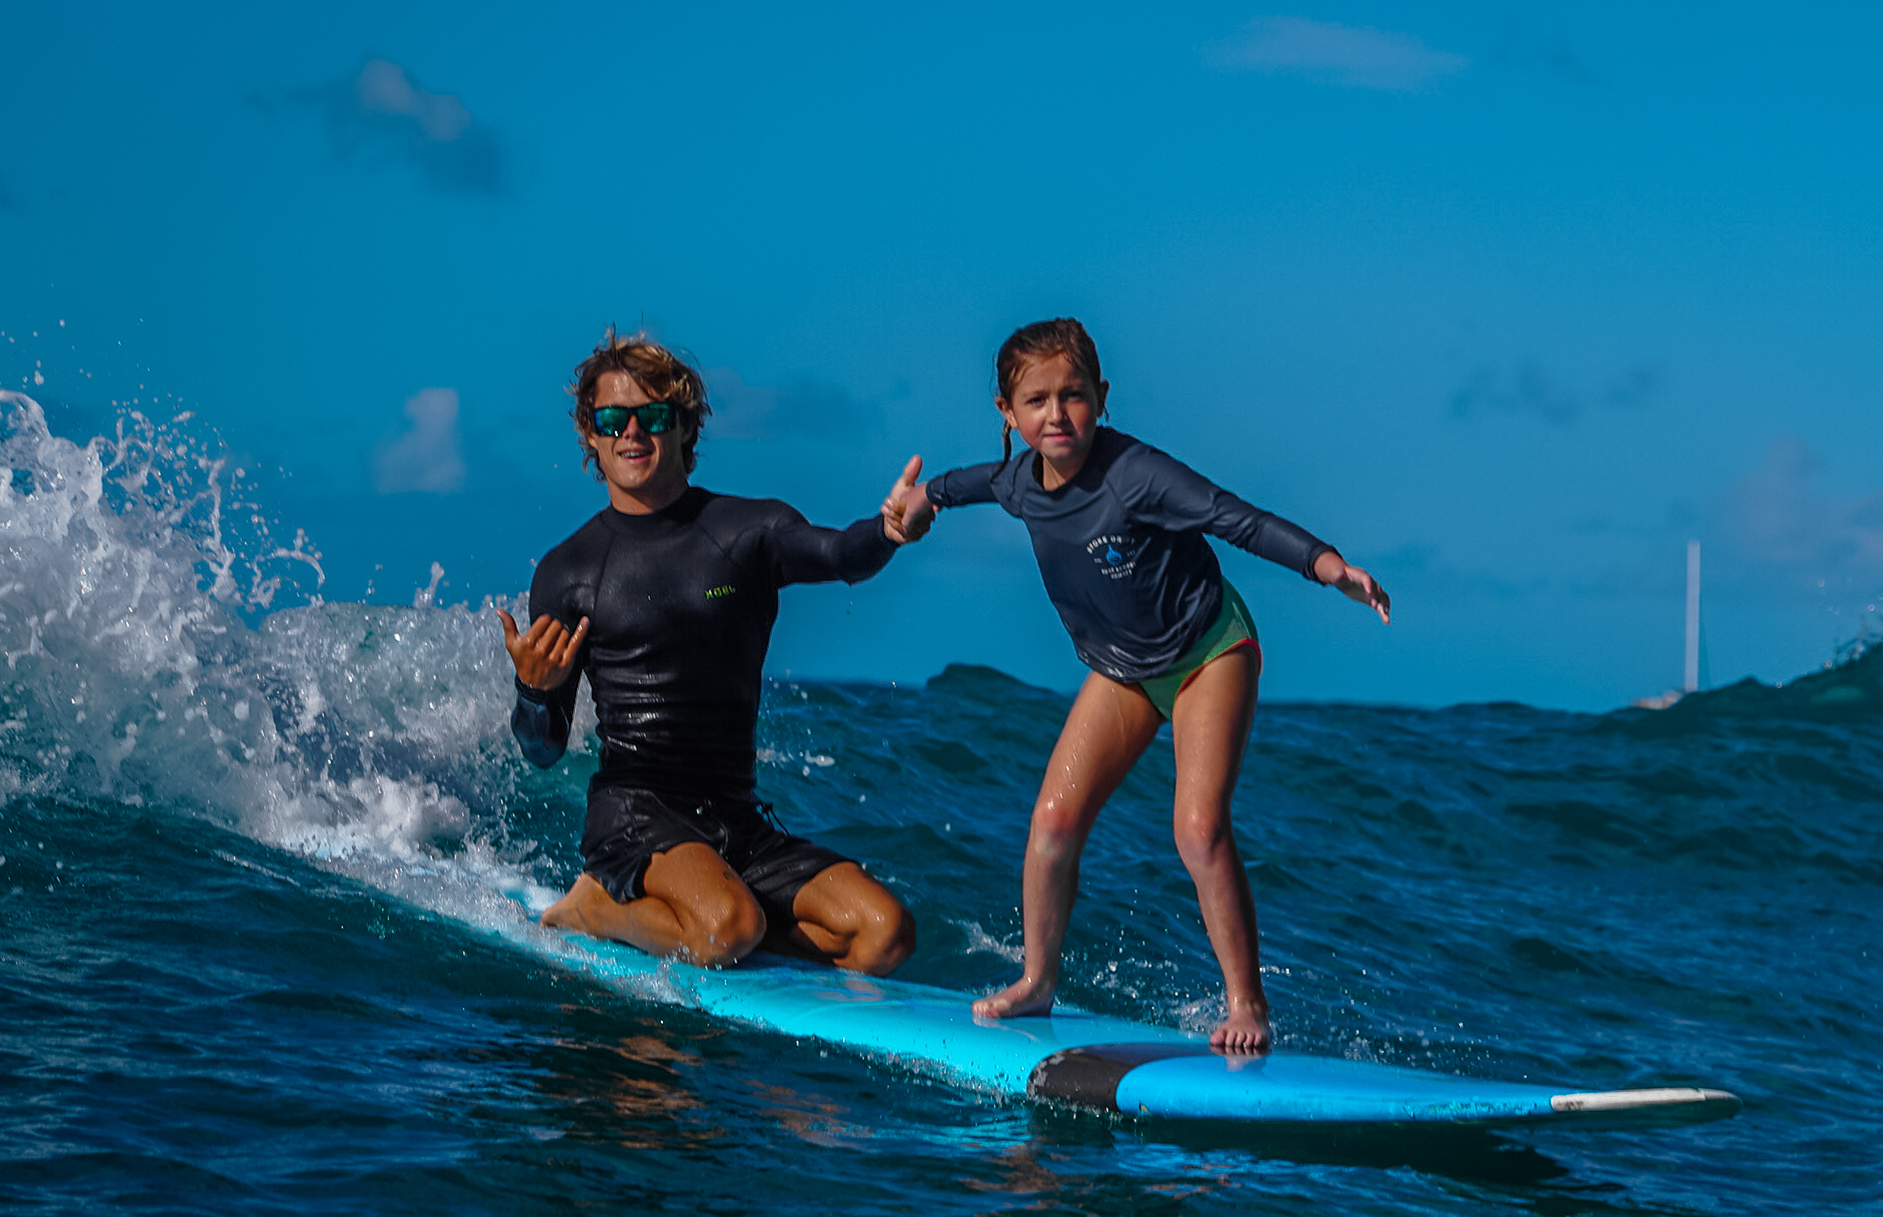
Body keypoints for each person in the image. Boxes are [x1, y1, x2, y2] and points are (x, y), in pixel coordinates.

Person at [879, 318, 1389, 1051]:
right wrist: (921, 498)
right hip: (1121, 667)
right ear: (1007, 413)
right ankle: (1038, 981)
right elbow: (962, 486)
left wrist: (1327, 564)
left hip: (1209, 650)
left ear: (1102, 397)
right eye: (1037, 400)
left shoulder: (1137, 475)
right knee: (1052, 823)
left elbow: (1230, 517)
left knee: (1198, 828)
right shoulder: (1018, 480)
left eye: (1074, 395)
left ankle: (1248, 1004)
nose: (1057, 414)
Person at [498, 331, 930, 976]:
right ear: (591, 434)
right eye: (612, 419)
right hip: (635, 813)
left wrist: (888, 532)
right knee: (729, 927)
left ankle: (715, 919)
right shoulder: (570, 572)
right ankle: (599, 909)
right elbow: (544, 751)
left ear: (683, 426)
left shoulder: (748, 532)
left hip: (732, 815)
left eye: (653, 416)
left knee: (885, 933)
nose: (632, 433)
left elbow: (841, 554)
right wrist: (535, 693)